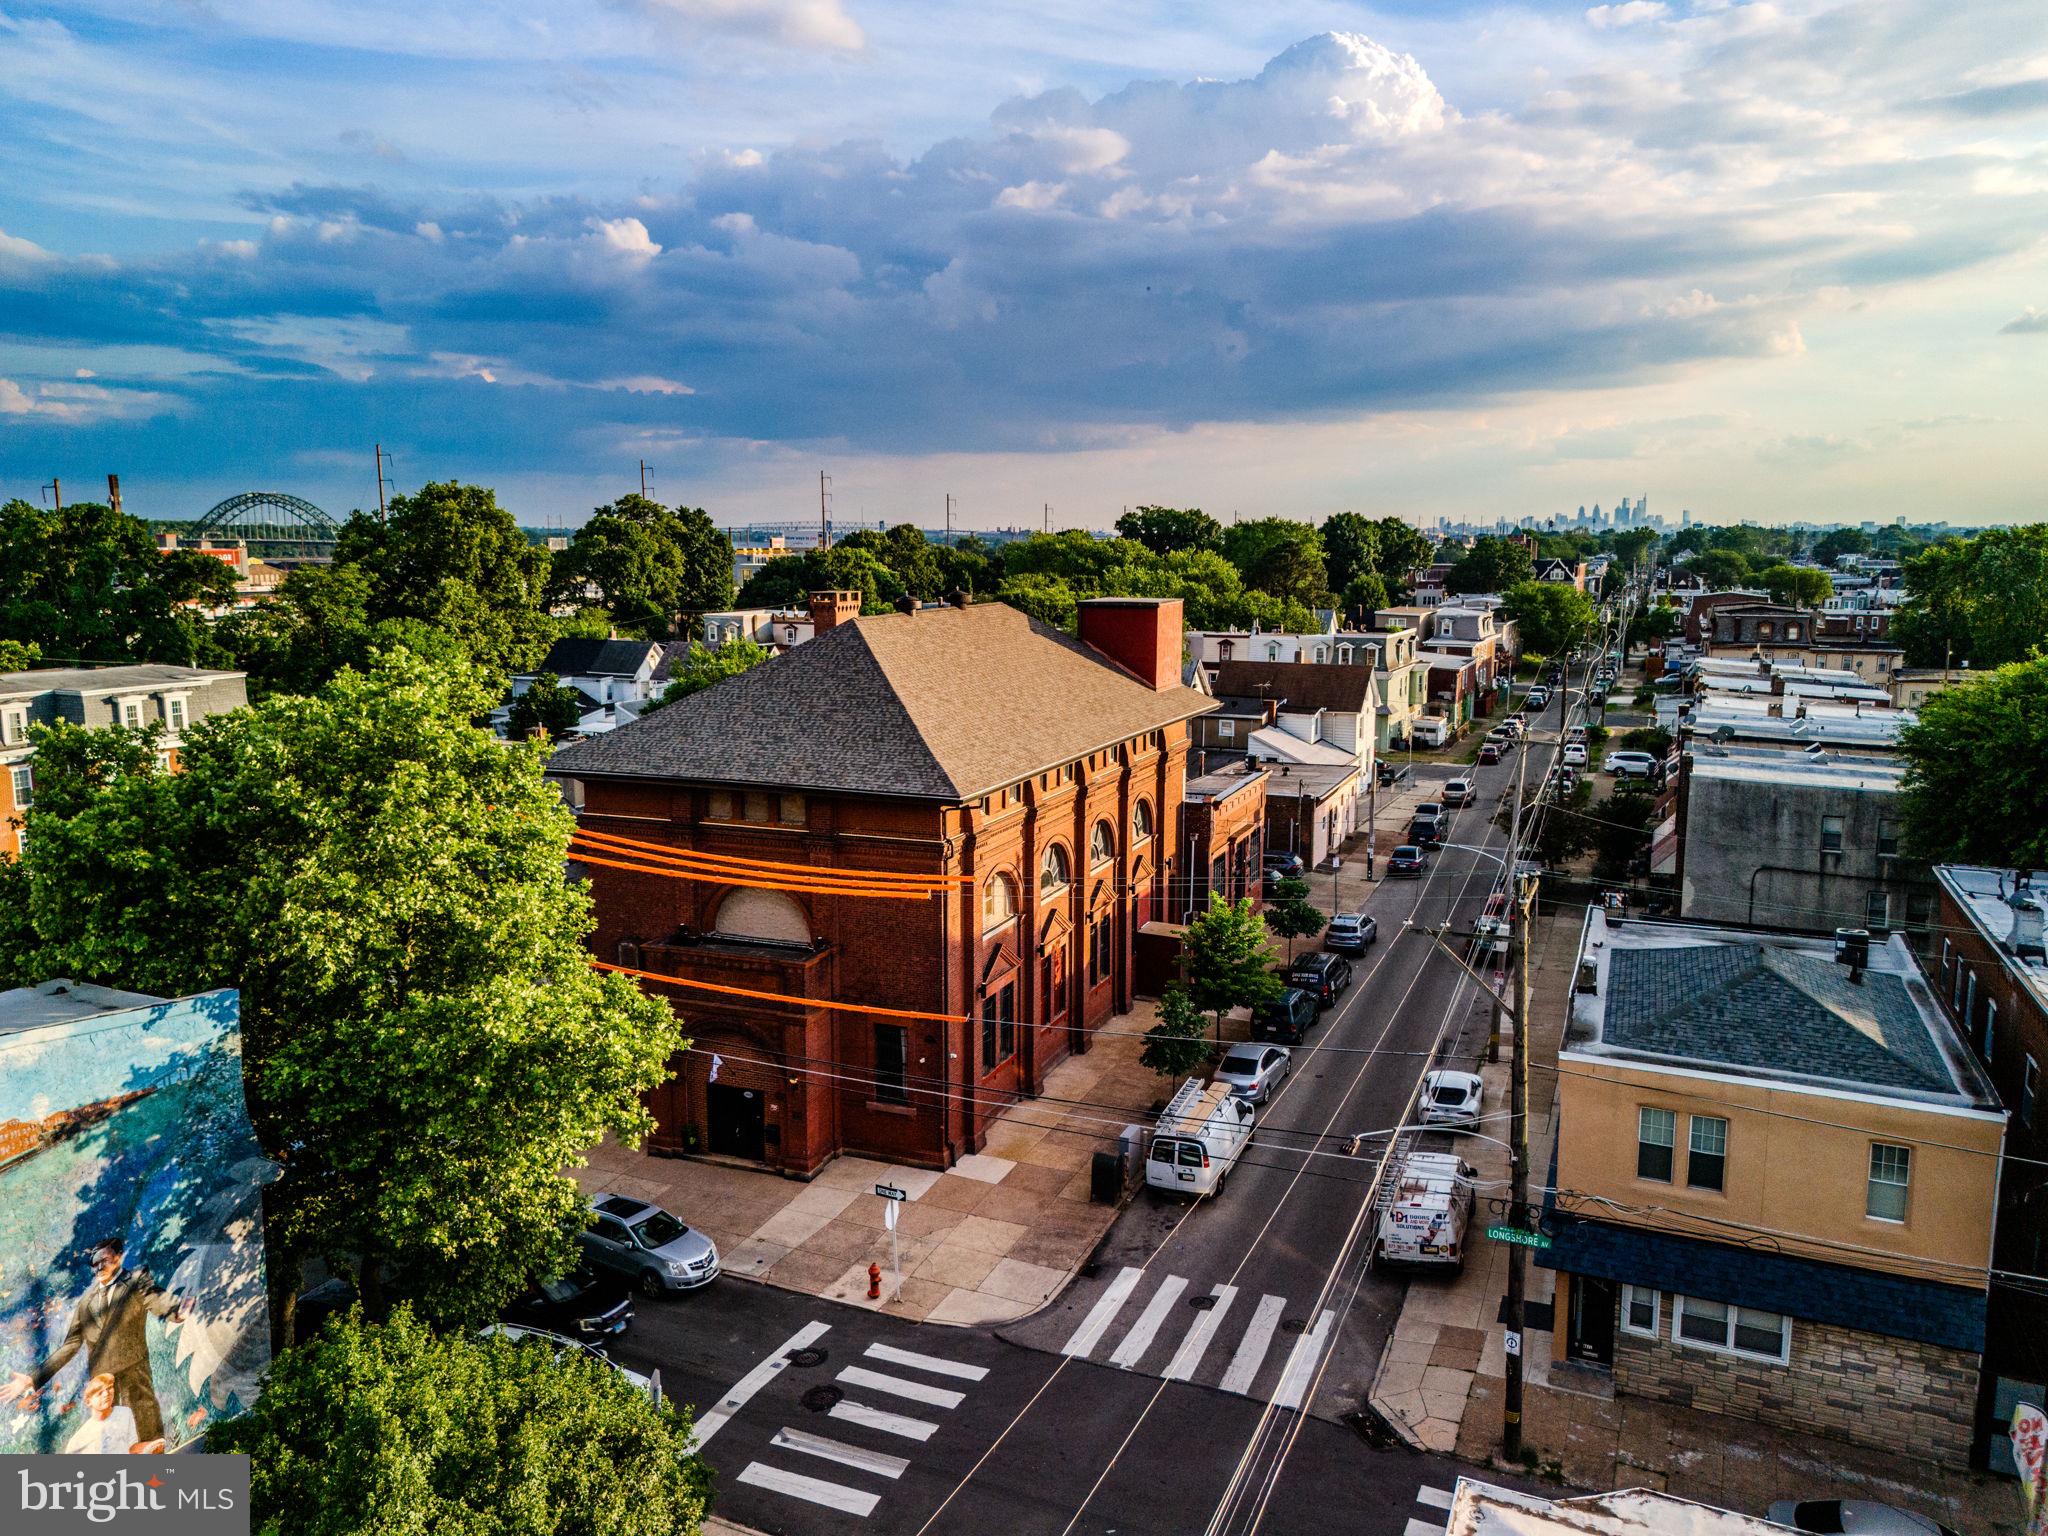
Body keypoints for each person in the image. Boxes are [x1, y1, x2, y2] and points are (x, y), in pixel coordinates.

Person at [0, 1238, 185, 1444]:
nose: (98, 1267)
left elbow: (154, 1298)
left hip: (135, 1376)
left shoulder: (135, 1280)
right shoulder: (86, 1301)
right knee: (112, 1443)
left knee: (149, 1438)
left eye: (103, 1260)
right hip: (103, 1385)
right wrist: (33, 1379)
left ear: (118, 1257)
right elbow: (70, 1345)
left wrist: (175, 1310)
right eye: (94, 1263)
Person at [60, 1373, 161, 1454]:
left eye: (109, 1388)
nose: (106, 1394)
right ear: (88, 1402)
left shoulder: (125, 1413)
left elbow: (131, 1448)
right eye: (99, 1393)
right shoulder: (77, 1441)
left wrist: (151, 1446)